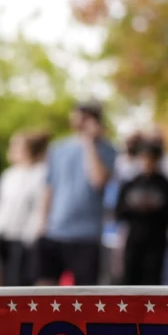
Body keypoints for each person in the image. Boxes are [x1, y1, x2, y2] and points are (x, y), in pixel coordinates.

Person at [35, 101, 116, 286]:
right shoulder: (58, 148)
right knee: (44, 289)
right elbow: (49, 187)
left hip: (86, 235)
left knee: (84, 294)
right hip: (54, 231)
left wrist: (90, 143)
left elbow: (98, 180)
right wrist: (42, 222)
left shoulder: (107, 149)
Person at [0, 131, 50, 286]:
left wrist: (33, 233)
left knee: (19, 281)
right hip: (3, 235)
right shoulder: (9, 175)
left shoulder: (41, 174)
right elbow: (0, 205)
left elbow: (40, 207)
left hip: (24, 239)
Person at [114, 140, 168, 285]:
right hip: (134, 240)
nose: (147, 162)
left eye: (151, 158)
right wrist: (136, 208)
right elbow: (118, 213)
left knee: (152, 281)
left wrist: (156, 208)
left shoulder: (167, 187)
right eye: (144, 158)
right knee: (129, 281)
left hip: (157, 242)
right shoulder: (130, 184)